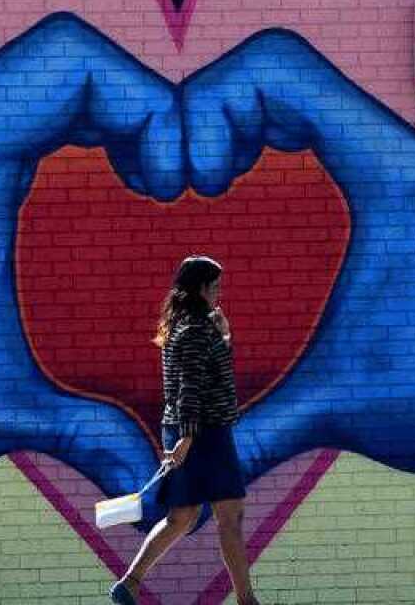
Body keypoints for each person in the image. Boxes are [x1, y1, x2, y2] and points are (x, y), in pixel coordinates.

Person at [110, 255, 260, 605]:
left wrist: (224, 335)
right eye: (215, 286)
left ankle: (129, 584)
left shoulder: (187, 326)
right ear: (201, 289)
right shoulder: (194, 331)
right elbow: (190, 388)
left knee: (183, 516)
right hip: (204, 433)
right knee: (230, 516)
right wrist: (187, 439)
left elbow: (207, 375)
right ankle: (247, 601)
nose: (219, 292)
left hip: (190, 430)